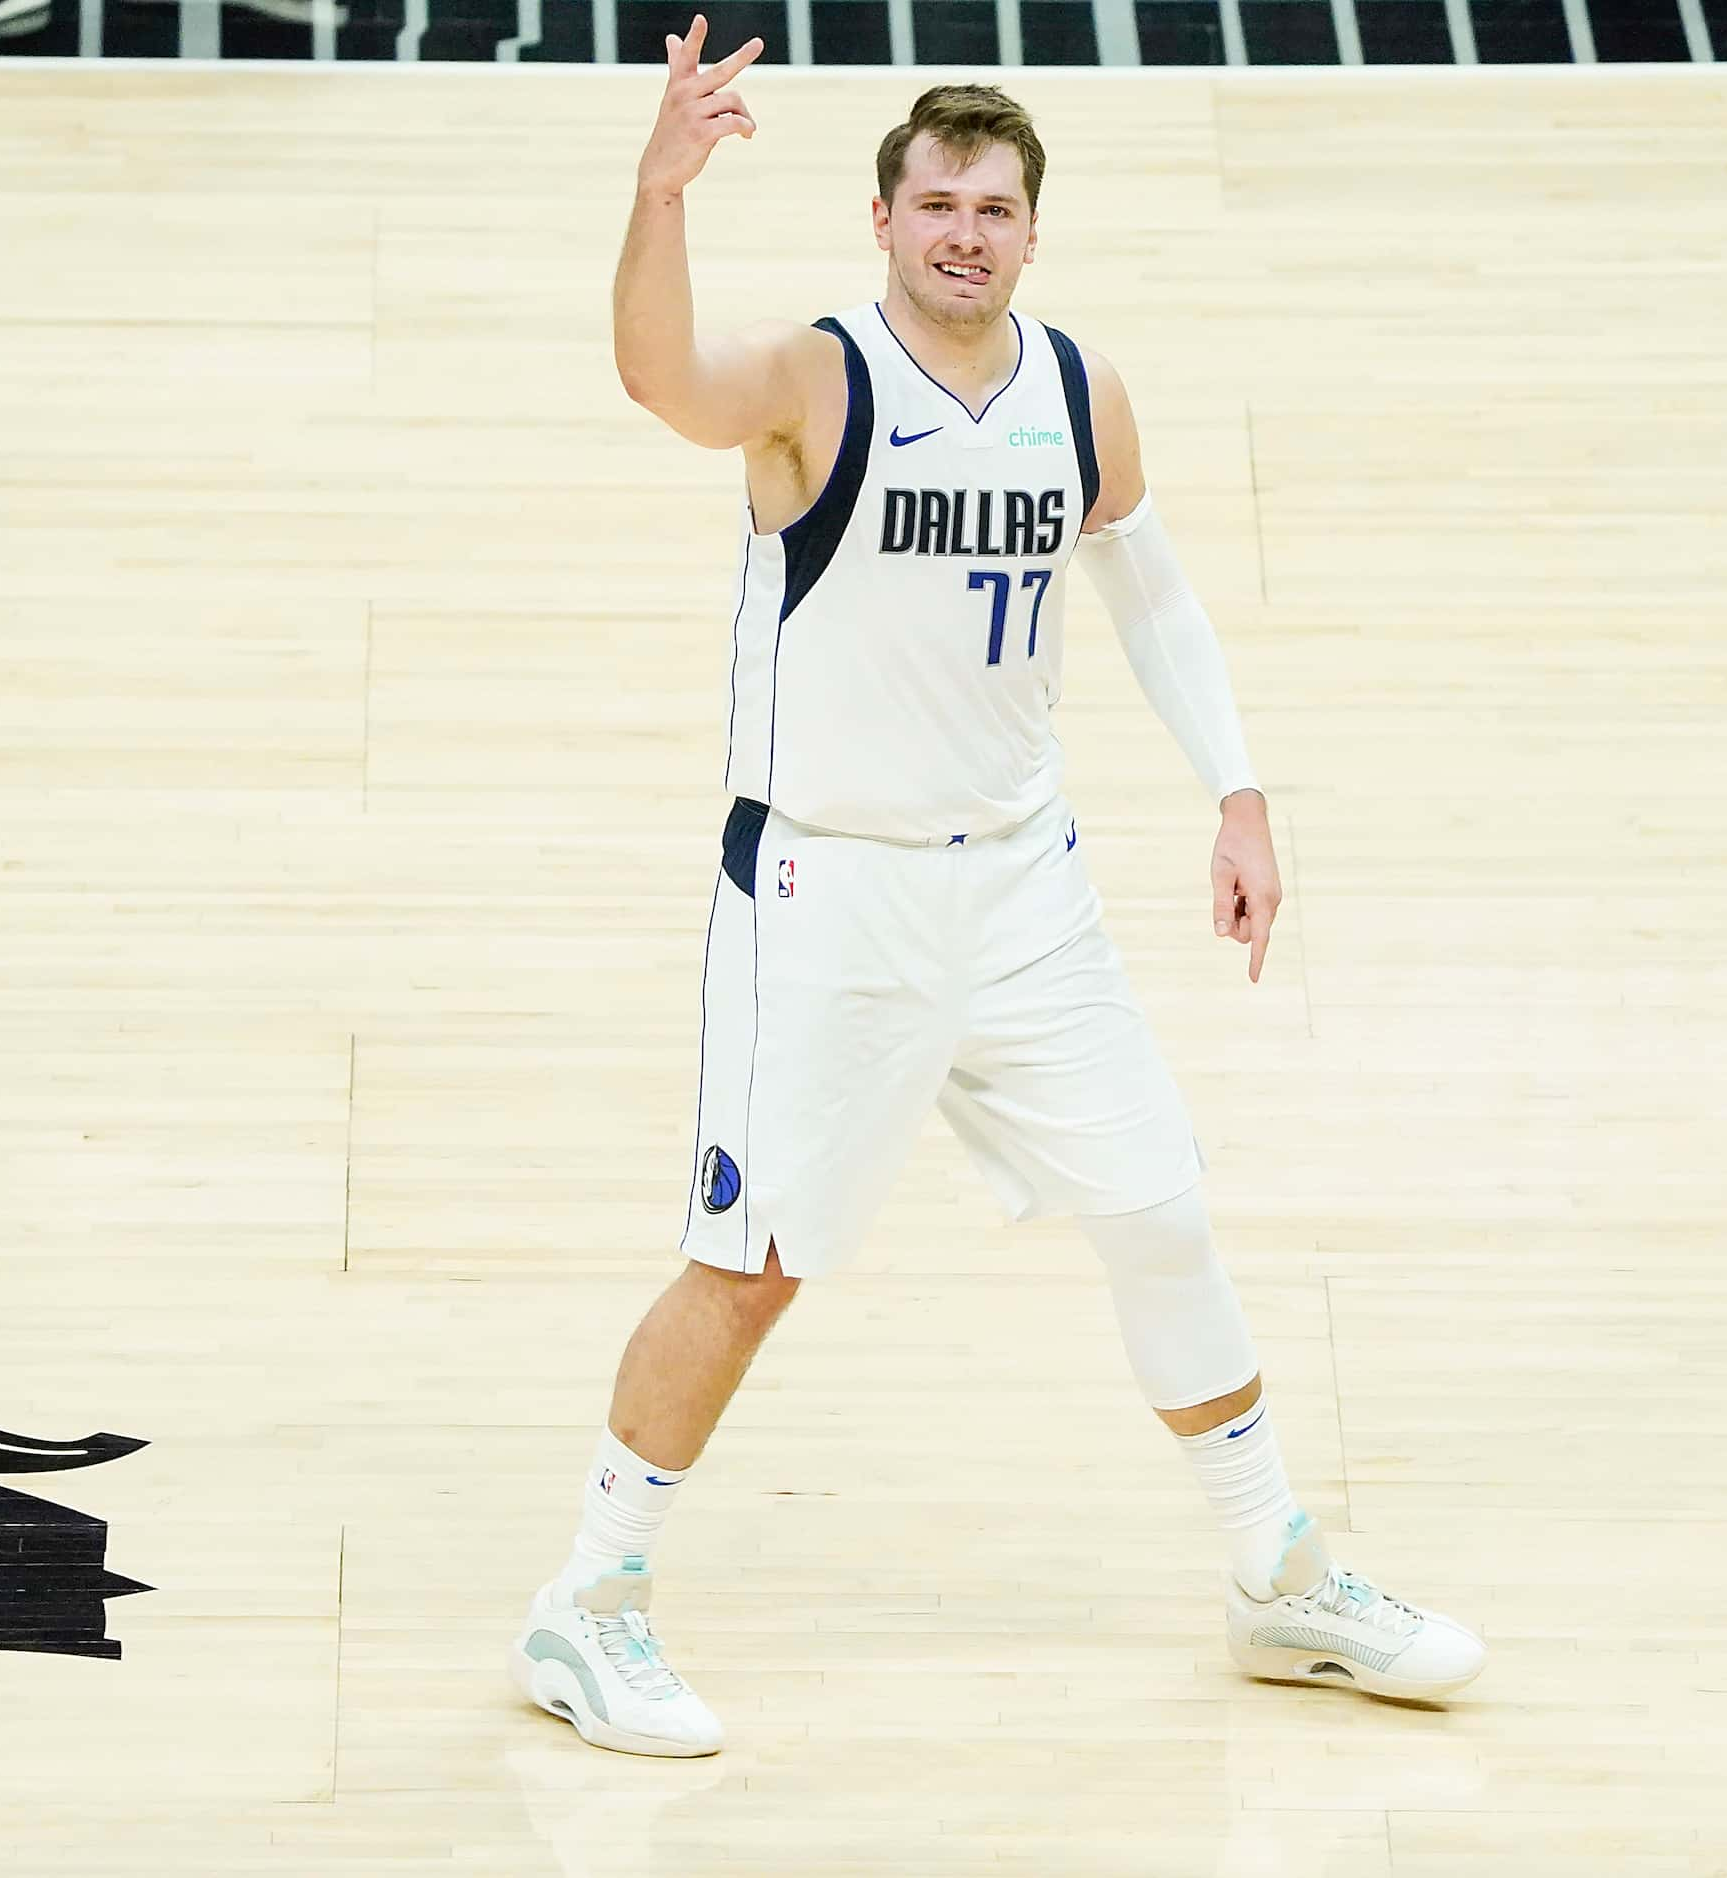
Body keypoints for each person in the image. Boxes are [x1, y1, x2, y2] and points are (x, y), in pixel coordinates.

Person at [507, 19, 1484, 1759]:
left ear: (1032, 233)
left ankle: (1276, 1571)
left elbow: (1151, 587)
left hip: (1023, 887)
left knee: (1160, 1209)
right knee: (749, 1265)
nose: (964, 229)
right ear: (880, 219)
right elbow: (660, 380)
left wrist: (1237, 793)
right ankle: (586, 1602)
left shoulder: (1076, 390)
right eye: (936, 200)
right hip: (825, 896)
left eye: (995, 206)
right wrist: (657, 195)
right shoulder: (817, 383)